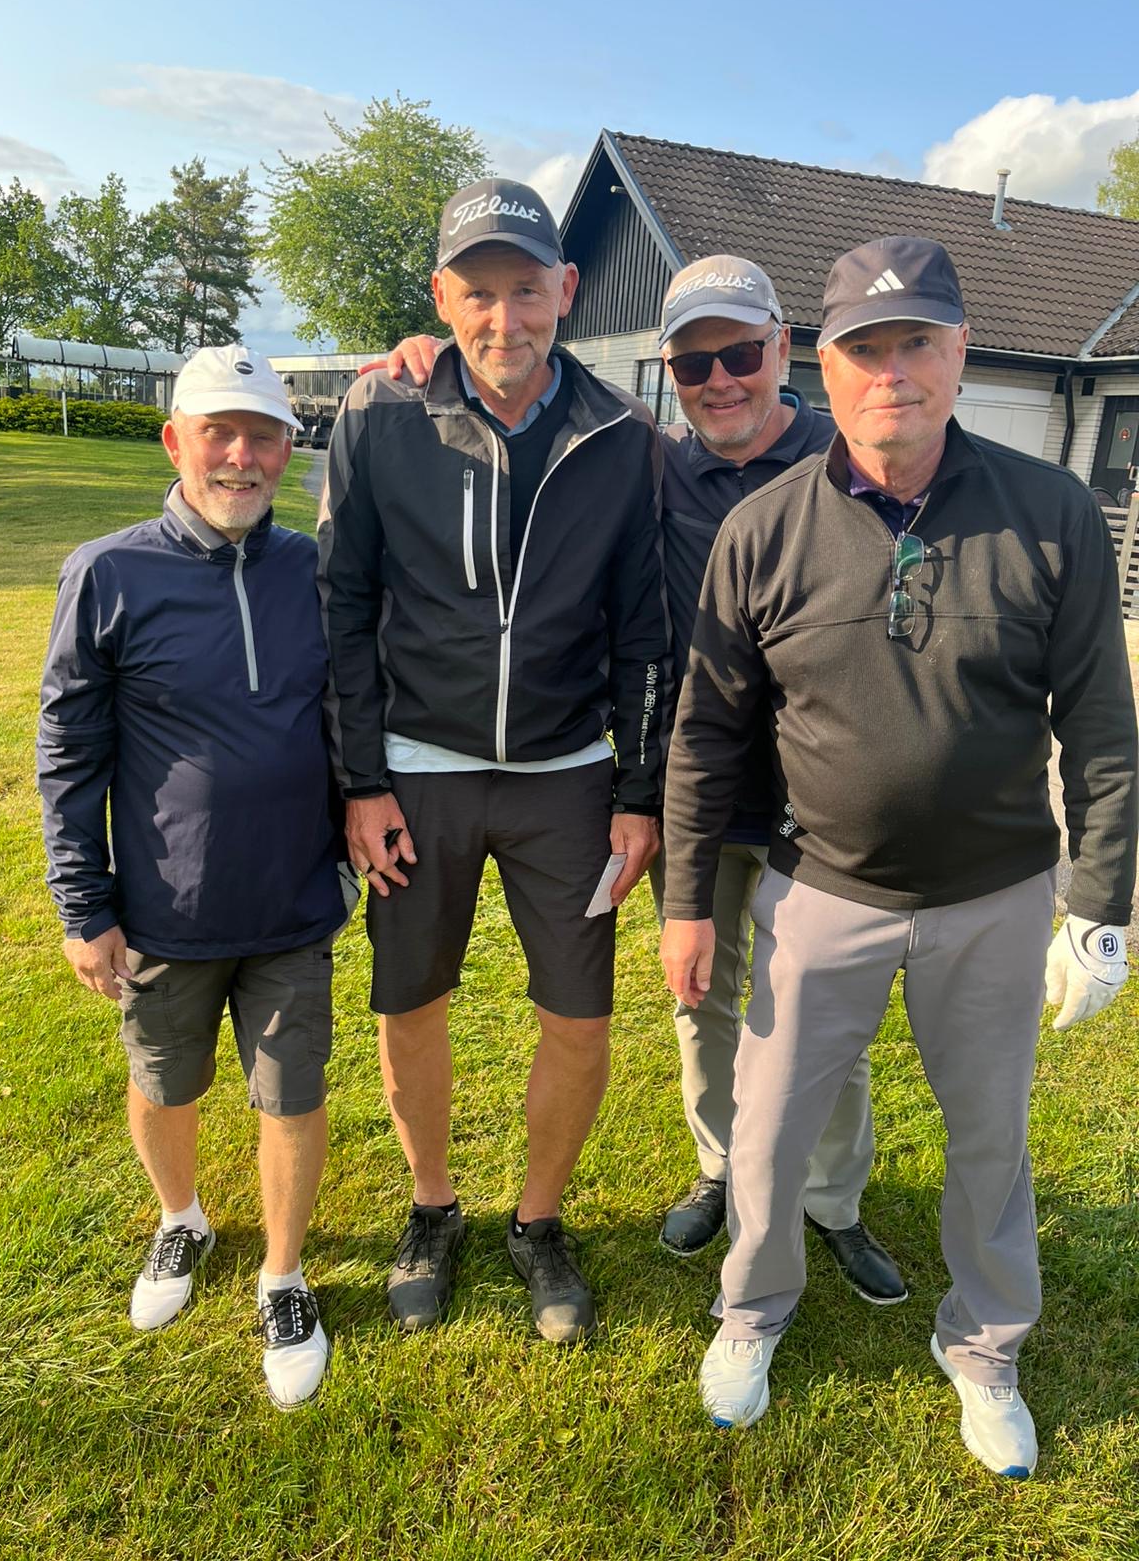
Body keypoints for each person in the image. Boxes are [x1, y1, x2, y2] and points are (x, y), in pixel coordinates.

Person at [660, 236, 1136, 1477]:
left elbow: (1100, 724)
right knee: (769, 1132)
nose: (893, 372)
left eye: (917, 341)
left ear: (960, 353)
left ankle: (984, 1345)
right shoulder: (763, 529)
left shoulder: (1052, 513)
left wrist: (1101, 901)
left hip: (995, 895)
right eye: (865, 349)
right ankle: (751, 1311)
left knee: (990, 1141)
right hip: (819, 889)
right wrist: (686, 901)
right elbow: (705, 733)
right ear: (823, 366)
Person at [378, 255, 905, 1302]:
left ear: (782, 348)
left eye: (740, 355)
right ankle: (719, 1165)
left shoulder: (848, 458)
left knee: (822, 1010)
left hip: (823, 800)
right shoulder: (653, 461)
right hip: (696, 790)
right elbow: (533, 392)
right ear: (671, 374)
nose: (721, 381)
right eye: (694, 364)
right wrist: (429, 359)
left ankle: (831, 1200)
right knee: (702, 997)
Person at [318, 177, 669, 1344]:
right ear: (441, 297)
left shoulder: (623, 437)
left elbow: (645, 630)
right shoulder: (380, 415)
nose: (503, 318)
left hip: (568, 776)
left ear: (567, 290)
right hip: (418, 770)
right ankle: (432, 1208)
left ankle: (539, 1220)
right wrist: (362, 781)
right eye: (478, 293)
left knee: (580, 1014)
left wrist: (636, 793)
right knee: (410, 999)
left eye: (526, 289)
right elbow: (342, 603)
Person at [38, 345, 356, 1410]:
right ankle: (181, 1219)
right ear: (175, 441)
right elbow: (69, 753)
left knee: (292, 1093)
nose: (241, 457)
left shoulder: (312, 568)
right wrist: (84, 904)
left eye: (264, 437)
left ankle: (284, 1274)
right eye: (220, 433)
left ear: (288, 452)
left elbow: (348, 714)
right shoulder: (107, 573)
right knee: (164, 1082)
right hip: (163, 912)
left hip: (294, 902)